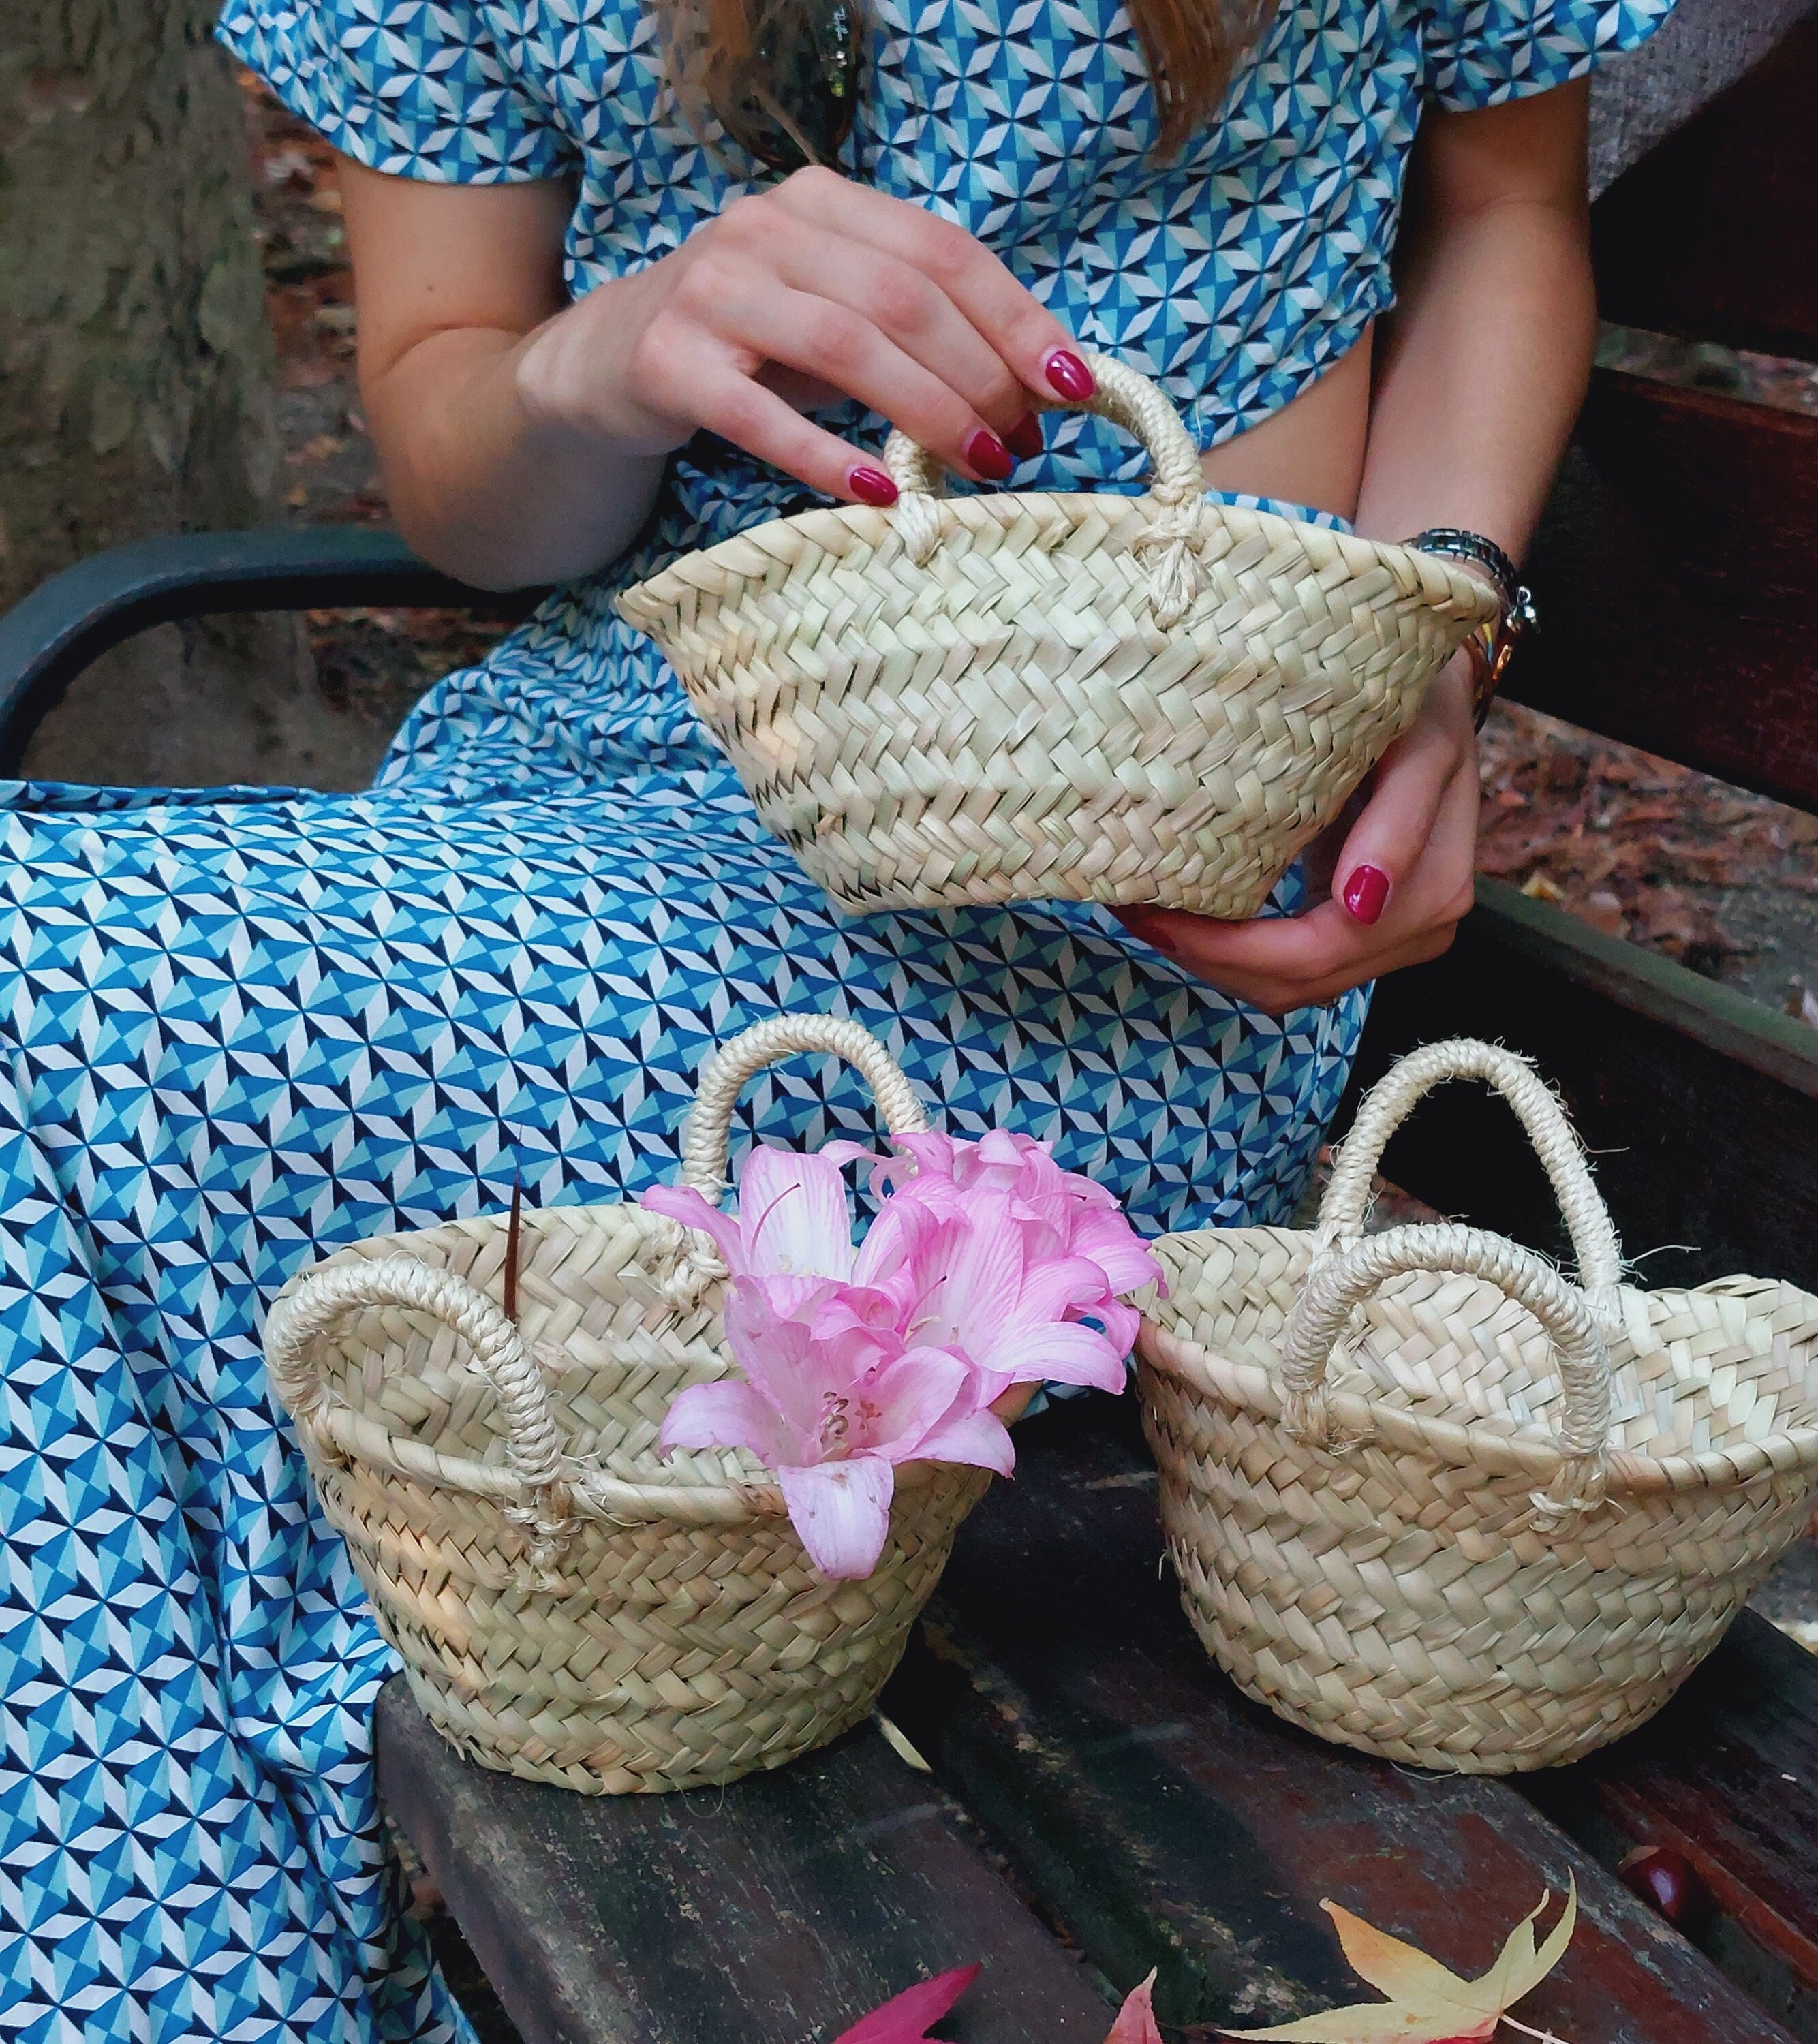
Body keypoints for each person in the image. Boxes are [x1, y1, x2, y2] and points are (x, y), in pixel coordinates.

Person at [0, 0, 1675, 2035]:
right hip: (590, 789)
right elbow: (463, 463)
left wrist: (1442, 622)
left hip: (1114, 889)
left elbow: (1506, 207)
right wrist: (608, 349)